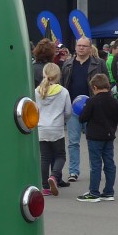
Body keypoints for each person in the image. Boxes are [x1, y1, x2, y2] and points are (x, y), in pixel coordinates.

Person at [60, 36, 105, 181]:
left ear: (90, 48)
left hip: (92, 108)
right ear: (75, 47)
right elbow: (62, 85)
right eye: (79, 45)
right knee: (73, 142)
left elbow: (105, 85)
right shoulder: (67, 64)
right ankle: (73, 171)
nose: (81, 48)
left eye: (84, 46)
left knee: (93, 142)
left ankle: (95, 170)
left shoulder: (99, 64)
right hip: (72, 109)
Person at [76, 72, 118, 203]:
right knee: (109, 163)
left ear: (94, 87)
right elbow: (117, 118)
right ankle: (109, 192)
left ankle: (94, 192)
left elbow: (83, 118)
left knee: (95, 165)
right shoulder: (115, 102)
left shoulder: (92, 101)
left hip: (95, 136)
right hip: (109, 135)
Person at [34, 62, 70, 195]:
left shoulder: (37, 91)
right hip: (56, 128)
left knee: (45, 158)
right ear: (58, 75)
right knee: (60, 155)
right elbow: (68, 111)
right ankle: (54, 176)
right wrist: (62, 120)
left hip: (41, 128)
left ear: (43, 74)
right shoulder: (63, 91)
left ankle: (45, 186)